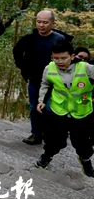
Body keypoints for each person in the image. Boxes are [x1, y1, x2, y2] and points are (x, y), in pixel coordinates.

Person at [35, 40, 94, 178]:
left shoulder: (86, 68)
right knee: (54, 139)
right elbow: (45, 84)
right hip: (58, 110)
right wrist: (41, 101)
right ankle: (46, 157)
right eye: (55, 58)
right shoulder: (49, 68)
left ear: (72, 56)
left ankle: (86, 161)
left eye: (63, 58)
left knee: (82, 142)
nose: (59, 61)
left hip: (81, 110)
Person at [13, 10, 73, 145]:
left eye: (45, 22)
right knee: (34, 107)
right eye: (39, 22)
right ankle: (36, 134)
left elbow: (69, 58)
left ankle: (52, 133)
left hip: (56, 82)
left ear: (53, 23)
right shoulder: (30, 38)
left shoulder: (59, 40)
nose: (41, 25)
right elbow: (17, 51)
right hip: (35, 79)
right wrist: (24, 68)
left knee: (51, 109)